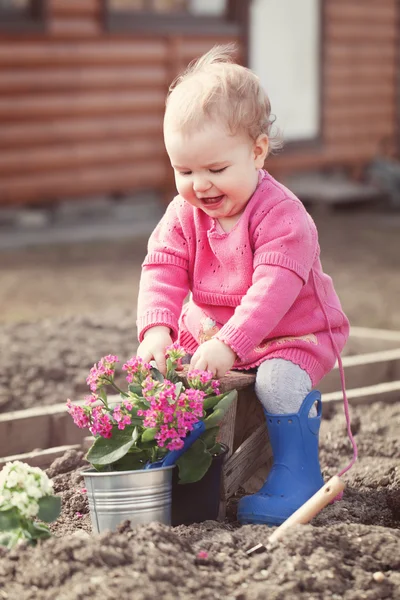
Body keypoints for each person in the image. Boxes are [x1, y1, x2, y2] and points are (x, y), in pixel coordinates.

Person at [136, 44, 356, 525]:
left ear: (257, 153)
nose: (201, 185)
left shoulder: (282, 216)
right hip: (218, 334)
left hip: (288, 333)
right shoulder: (183, 214)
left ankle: (296, 475)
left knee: (278, 381)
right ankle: (180, 466)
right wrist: (157, 330)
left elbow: (272, 292)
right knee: (169, 371)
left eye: (216, 169)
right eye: (184, 171)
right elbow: (162, 268)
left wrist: (233, 344)